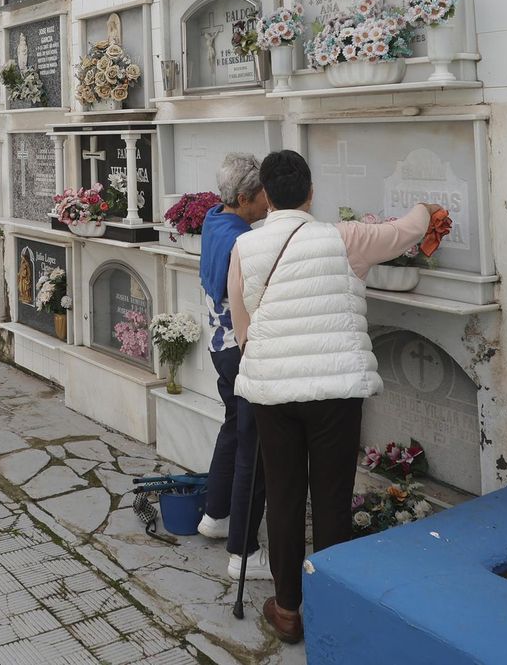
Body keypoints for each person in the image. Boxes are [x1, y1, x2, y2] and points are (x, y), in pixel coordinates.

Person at [228, 150, 440, 644]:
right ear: (311, 193)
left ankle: (287, 609)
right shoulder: (344, 238)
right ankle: (330, 606)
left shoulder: (246, 247)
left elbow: (242, 323)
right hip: (336, 390)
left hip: (273, 390)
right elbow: (403, 233)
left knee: (283, 497)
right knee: (331, 498)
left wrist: (267, 362)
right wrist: (426, 211)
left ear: (266, 196)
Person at [195, 154, 271, 580]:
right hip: (238, 349)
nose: (268, 203)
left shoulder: (214, 219)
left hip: (219, 347)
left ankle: (216, 513)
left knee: (233, 428)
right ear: (243, 199)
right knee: (252, 448)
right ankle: (244, 553)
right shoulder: (242, 242)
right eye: (262, 196)